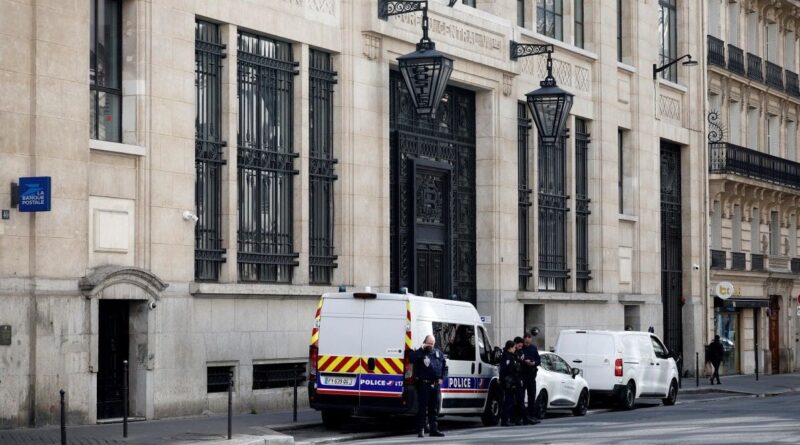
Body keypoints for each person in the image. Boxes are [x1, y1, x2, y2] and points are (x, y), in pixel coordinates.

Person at [411, 334, 447, 438]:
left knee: (434, 409)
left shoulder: (438, 353)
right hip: (424, 384)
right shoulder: (420, 353)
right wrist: (420, 349)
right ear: (425, 342)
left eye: (432, 343)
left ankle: (434, 430)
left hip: (435, 385)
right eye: (428, 343)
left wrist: (441, 377)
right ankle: (421, 430)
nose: (430, 345)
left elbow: (444, 367)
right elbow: (411, 359)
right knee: (422, 408)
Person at [499, 340, 525, 426]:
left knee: (516, 401)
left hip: (515, 381)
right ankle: (505, 420)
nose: (515, 349)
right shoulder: (506, 356)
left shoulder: (513, 356)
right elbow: (505, 370)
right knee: (508, 401)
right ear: (510, 348)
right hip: (510, 382)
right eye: (514, 347)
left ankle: (515, 419)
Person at [519, 333, 542, 424]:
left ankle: (531, 416)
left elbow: (538, 360)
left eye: (529, 341)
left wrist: (534, 363)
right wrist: (525, 361)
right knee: (521, 397)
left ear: (531, 340)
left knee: (532, 397)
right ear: (524, 340)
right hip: (523, 375)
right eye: (526, 342)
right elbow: (519, 359)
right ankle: (522, 416)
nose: (527, 343)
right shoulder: (521, 348)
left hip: (532, 375)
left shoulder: (533, 348)